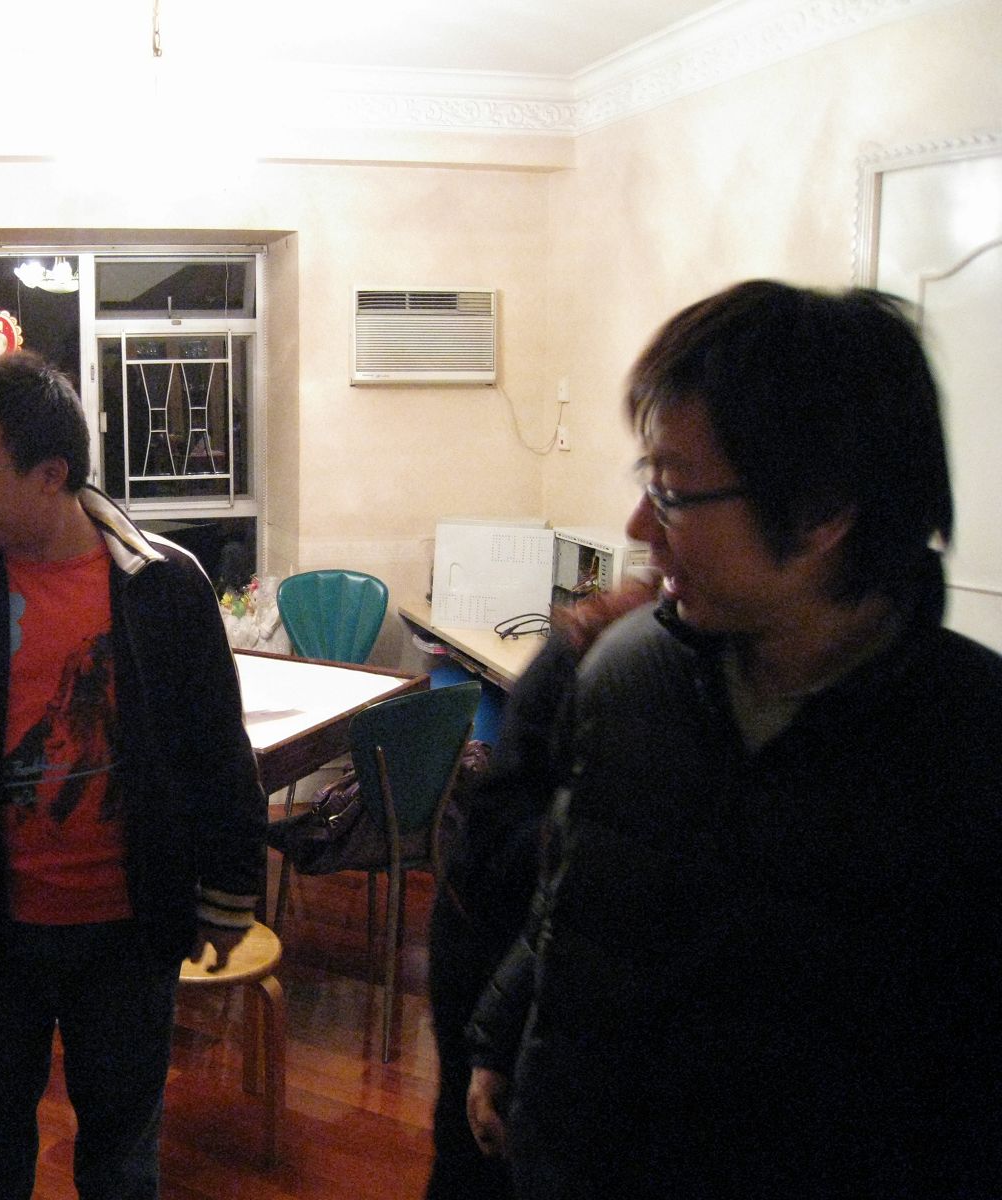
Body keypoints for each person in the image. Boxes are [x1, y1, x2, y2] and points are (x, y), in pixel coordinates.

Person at [464, 280, 1002, 1199]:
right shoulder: (628, 673)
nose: (639, 528)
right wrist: (502, 1033)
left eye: (672, 493)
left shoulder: (972, 746)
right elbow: (580, 887)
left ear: (823, 512)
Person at [0, 350, 265, 1200]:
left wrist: (227, 893)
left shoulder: (163, 583)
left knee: (121, 1156)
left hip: (129, 927)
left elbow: (215, 746)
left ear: (51, 473)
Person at [425, 582, 652, 1200]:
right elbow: (493, 839)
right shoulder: (578, 654)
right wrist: (597, 830)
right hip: (482, 932)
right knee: (471, 1145)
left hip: (558, 954)